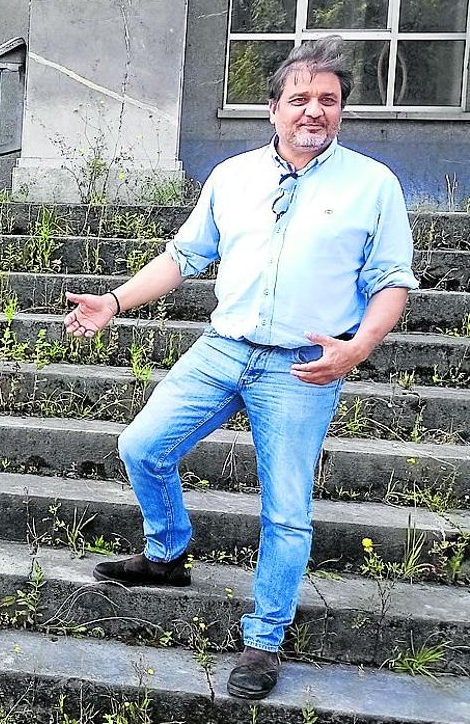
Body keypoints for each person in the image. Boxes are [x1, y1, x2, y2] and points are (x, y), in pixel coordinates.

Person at [65, 36, 418, 701]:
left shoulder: (373, 185)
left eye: (329, 100)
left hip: (304, 364)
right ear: (274, 108)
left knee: (286, 511)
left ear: (341, 109)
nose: (314, 111)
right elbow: (184, 256)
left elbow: (392, 279)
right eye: (300, 99)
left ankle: (264, 636)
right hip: (224, 348)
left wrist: (357, 347)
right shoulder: (234, 176)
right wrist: (113, 301)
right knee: (141, 445)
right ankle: (167, 554)